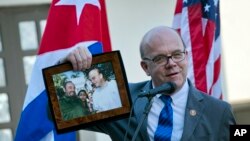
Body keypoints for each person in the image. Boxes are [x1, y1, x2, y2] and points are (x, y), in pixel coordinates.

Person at [61, 26, 236, 141]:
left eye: (177, 54)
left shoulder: (218, 111)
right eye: (160, 58)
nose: (171, 63)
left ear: (186, 56)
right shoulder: (123, 98)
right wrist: (65, 66)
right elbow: (57, 115)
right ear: (145, 67)